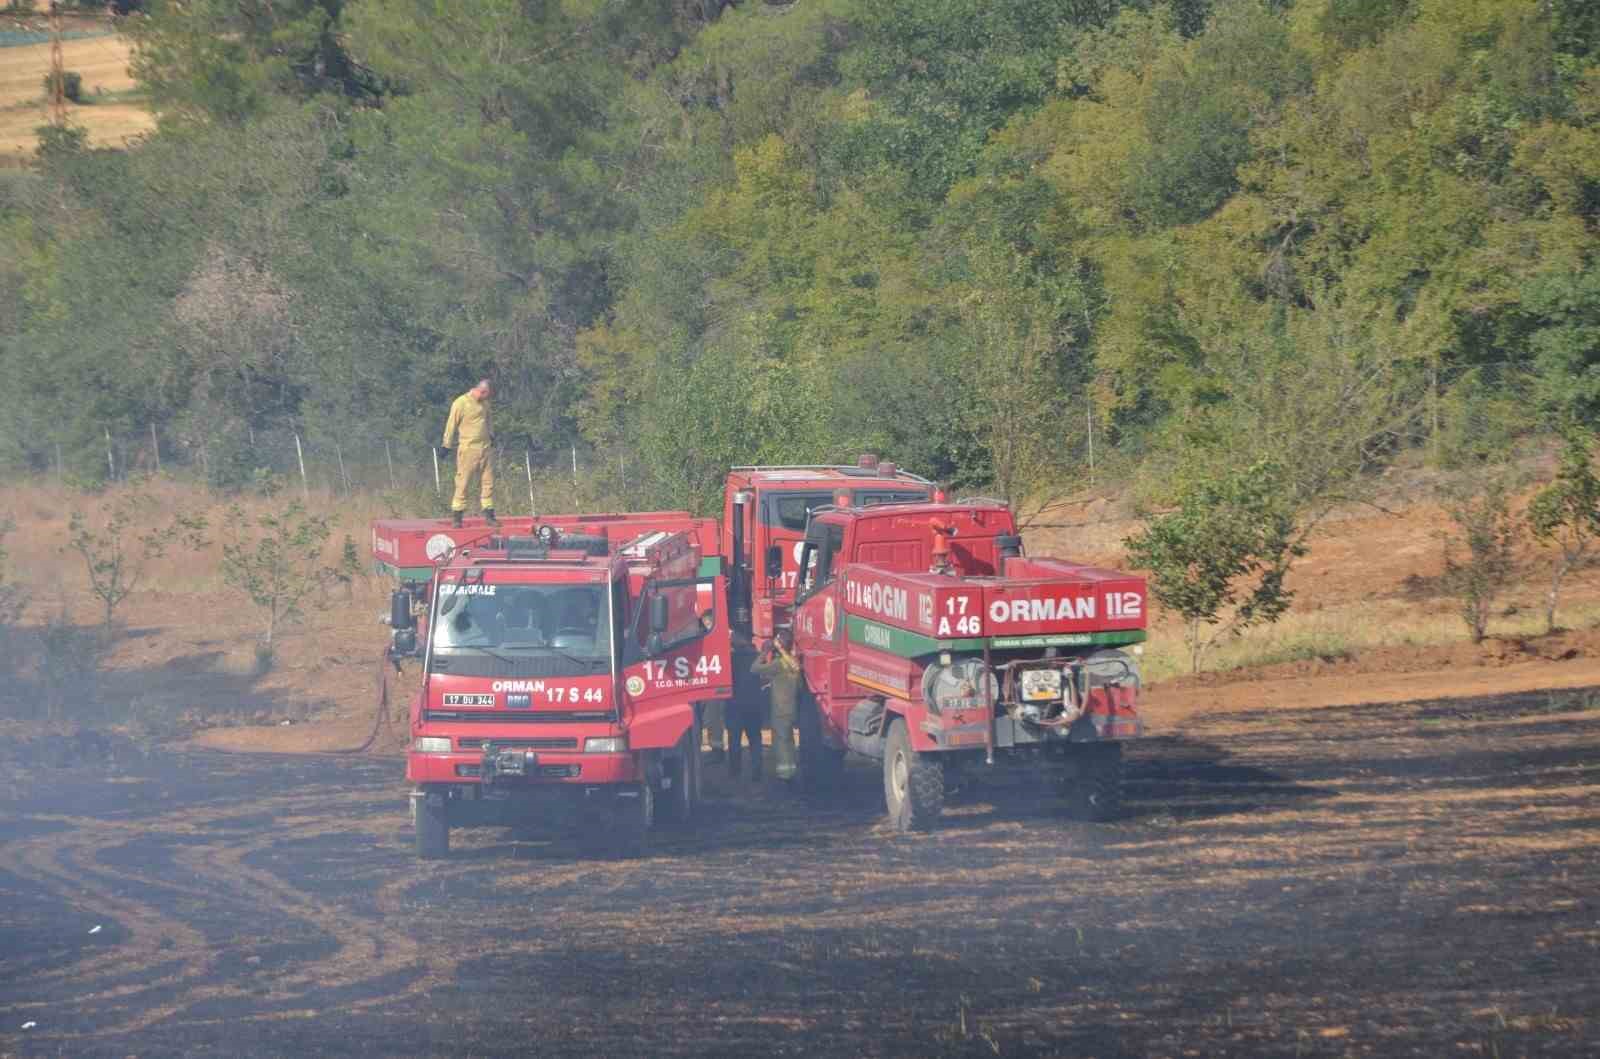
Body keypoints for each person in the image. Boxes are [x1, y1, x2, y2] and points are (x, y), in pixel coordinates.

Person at [440, 379, 496, 528]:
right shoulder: (461, 403)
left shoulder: (485, 404)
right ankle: (457, 517)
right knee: (463, 482)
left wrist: (491, 435)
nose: (487, 398)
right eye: (487, 395)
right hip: (468, 449)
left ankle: (490, 515)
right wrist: (446, 445)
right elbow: (451, 424)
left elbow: (489, 420)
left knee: (488, 482)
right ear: (482, 391)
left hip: (485, 449)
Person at [748, 629, 798, 781]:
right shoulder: (793, 662)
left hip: (779, 710)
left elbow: (754, 669)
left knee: (781, 744)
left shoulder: (778, 664)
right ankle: (792, 773)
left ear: (780, 644)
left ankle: (785, 777)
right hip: (791, 708)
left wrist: (764, 652)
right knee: (789, 742)